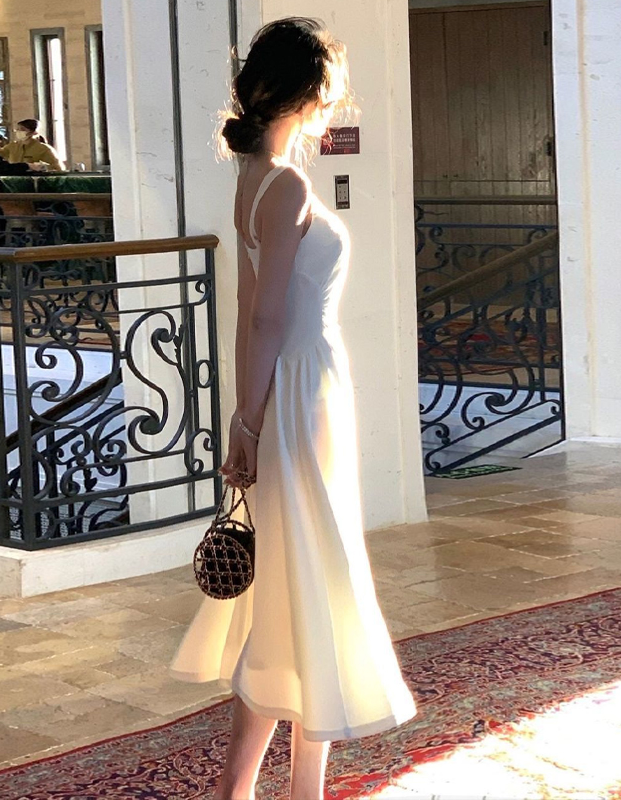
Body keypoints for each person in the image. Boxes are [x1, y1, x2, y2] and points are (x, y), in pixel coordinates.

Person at [170, 17, 417, 800]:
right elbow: (266, 316)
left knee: (300, 586)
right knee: (312, 583)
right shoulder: (284, 184)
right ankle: (255, 789)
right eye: (329, 91)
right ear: (309, 94)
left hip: (294, 394)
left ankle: (275, 787)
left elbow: (252, 312)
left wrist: (245, 417)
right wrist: (248, 421)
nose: (333, 104)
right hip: (301, 392)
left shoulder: (256, 178)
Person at [0, 118, 64, 171]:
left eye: (22, 129)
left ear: (34, 132)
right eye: (17, 129)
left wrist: (42, 167)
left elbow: (57, 168)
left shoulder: (44, 149)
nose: (18, 131)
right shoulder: (12, 146)